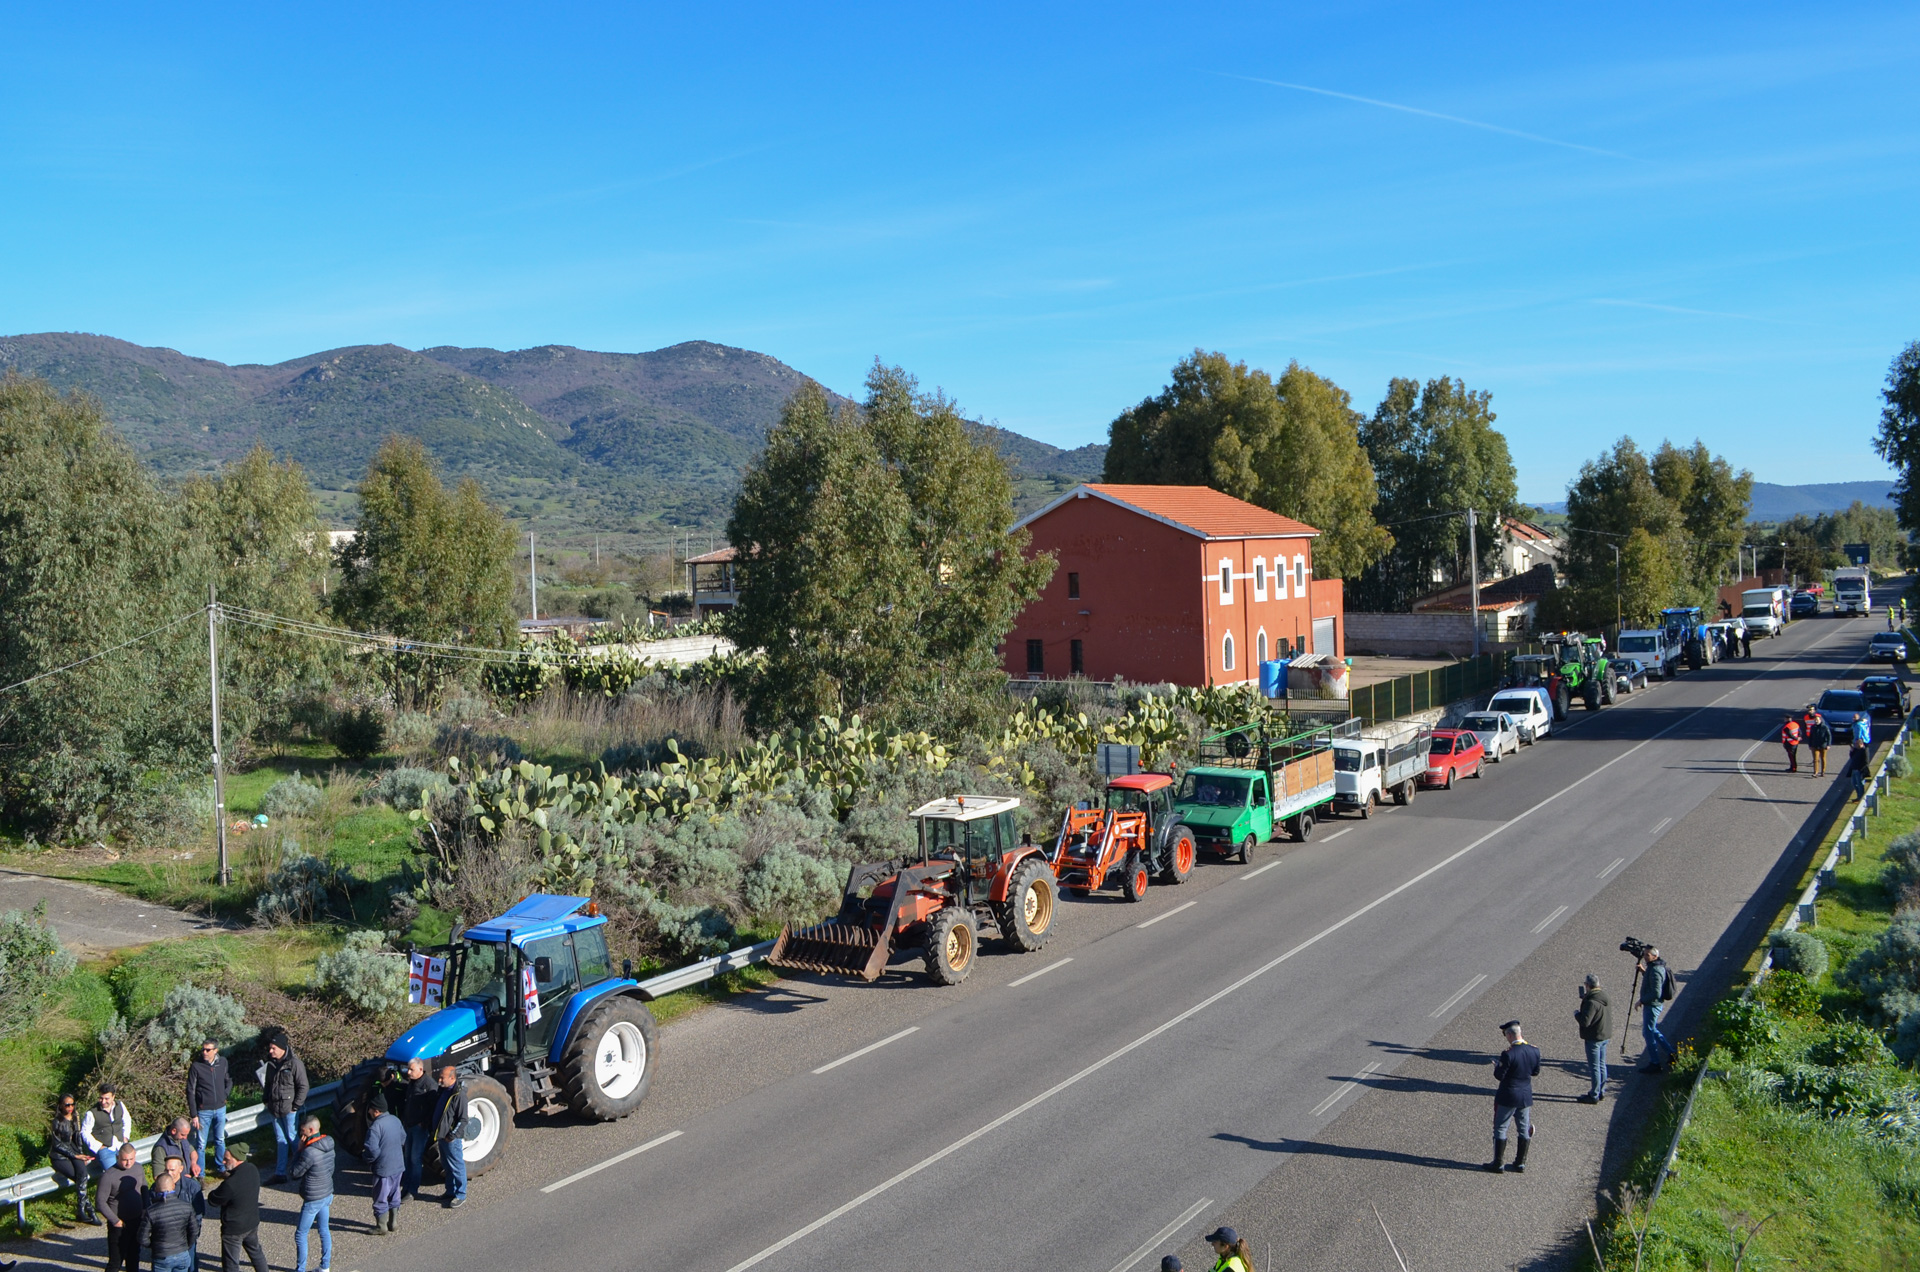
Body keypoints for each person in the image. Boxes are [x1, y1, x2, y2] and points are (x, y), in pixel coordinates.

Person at [1485, 1020, 1541, 1173]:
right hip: (1525, 1095)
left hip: (1508, 1095)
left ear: (1510, 1034)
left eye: (1505, 1035)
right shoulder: (1534, 1051)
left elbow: (1499, 1076)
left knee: (1501, 1128)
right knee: (1523, 1128)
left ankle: (1498, 1163)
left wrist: (1497, 1067)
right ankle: (1520, 1163)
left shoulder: (1508, 1054)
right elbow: (1535, 1072)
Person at [137, 1153, 202, 1272]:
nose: (169, 1173)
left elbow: (199, 1214)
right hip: (167, 1243)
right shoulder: (157, 1186)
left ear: (181, 1169)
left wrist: (190, 1240)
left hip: (185, 1241)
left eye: (172, 1170)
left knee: (192, 1267)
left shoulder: (192, 1186)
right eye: (166, 1170)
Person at [208, 1142, 267, 1272]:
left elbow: (213, 1200)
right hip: (251, 1223)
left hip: (234, 1229)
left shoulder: (230, 1184)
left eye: (227, 1159)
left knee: (231, 1264)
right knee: (256, 1253)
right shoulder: (252, 1168)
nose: (223, 1162)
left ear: (237, 1158)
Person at [261, 1032, 309, 1184]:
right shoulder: (271, 1064)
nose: (270, 1051)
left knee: (293, 1138)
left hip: (289, 1110)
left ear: (282, 1048)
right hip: (274, 1109)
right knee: (281, 1140)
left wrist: (295, 1106)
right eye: (270, 1048)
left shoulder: (295, 1064)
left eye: (273, 1048)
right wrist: (266, 1100)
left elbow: (303, 1086)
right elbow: (268, 1085)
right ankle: (280, 1173)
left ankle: (301, 1168)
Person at [289, 1113, 335, 1272]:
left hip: (313, 1197)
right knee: (324, 1230)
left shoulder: (309, 1152)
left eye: (302, 1132)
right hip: (327, 1192)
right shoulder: (329, 1143)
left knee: (301, 1234)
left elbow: (295, 1173)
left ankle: (300, 1269)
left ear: (311, 1129)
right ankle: (325, 1266)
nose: (301, 1135)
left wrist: (298, 1151)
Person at [361, 1089, 406, 1234]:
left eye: (370, 1110)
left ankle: (381, 1227)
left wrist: (366, 1159)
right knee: (395, 1194)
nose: (369, 1113)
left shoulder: (375, 1128)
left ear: (376, 1111)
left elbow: (372, 1151)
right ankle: (394, 1223)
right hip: (398, 1166)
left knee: (380, 1198)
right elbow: (403, 1139)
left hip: (383, 1169)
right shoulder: (395, 1120)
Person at [48, 1093, 96, 1223]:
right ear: (61, 1106)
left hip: (74, 1153)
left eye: (72, 1104)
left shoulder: (76, 1117)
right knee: (80, 1178)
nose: (70, 1107)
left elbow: (78, 1139)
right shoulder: (57, 1121)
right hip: (60, 1156)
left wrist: (81, 1155)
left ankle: (82, 1209)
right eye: (67, 1105)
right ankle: (89, 1209)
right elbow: (57, 1144)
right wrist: (74, 1155)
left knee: (82, 1174)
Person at [187, 1039, 233, 1177]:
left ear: (215, 1051)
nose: (204, 1052)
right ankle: (200, 1174)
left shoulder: (222, 1062)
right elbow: (191, 1091)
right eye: (203, 1049)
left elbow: (228, 1080)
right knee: (201, 1144)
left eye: (208, 1050)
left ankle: (221, 1168)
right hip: (203, 1111)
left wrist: (225, 1094)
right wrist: (194, 1114)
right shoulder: (196, 1066)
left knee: (220, 1139)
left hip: (220, 1108)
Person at [98, 1143, 145, 1272]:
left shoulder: (138, 1168)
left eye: (131, 1159)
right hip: (119, 1224)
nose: (128, 1163)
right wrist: (115, 1221)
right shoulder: (108, 1176)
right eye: (124, 1160)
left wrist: (145, 1209)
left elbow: (144, 1188)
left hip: (136, 1219)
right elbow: (100, 1202)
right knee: (116, 1261)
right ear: (118, 1157)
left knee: (134, 1257)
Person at [396, 1057, 436, 1200]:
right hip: (408, 1125)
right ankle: (405, 1187)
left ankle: (413, 1190)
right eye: (408, 1069)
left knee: (415, 1158)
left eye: (411, 1069)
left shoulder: (429, 1085)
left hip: (419, 1128)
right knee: (407, 1158)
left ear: (420, 1069)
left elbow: (433, 1108)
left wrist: (423, 1123)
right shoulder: (412, 1083)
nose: (408, 1072)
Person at [433, 1066, 469, 1208]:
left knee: (456, 1165)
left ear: (452, 1078)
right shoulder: (444, 1091)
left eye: (442, 1077)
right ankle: (450, 1191)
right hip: (442, 1137)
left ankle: (461, 1194)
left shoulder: (459, 1095)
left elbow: (463, 1119)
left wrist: (452, 1135)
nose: (439, 1080)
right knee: (447, 1166)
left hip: (451, 1139)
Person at [1637, 947, 1678, 1071]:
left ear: (1655, 956)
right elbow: (1653, 982)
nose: (1644, 957)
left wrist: (1642, 1000)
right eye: (1644, 954)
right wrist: (1644, 971)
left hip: (1652, 1006)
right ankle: (1672, 1053)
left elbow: (1656, 992)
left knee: (1648, 1033)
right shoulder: (1653, 967)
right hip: (1653, 1005)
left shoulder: (1655, 970)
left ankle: (1655, 1063)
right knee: (1652, 1030)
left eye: (1647, 955)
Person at [1575, 975, 1613, 1104]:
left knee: (1594, 1067)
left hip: (1594, 1037)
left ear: (1587, 985)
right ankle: (1601, 1091)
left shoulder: (1591, 1002)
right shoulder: (1604, 996)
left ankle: (1594, 1094)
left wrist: (1577, 1014)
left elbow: (1585, 1022)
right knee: (1602, 1065)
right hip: (1604, 1035)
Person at [80, 1085, 135, 1171]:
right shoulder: (92, 1113)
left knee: (130, 1170)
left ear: (113, 1097)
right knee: (113, 1174)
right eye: (101, 1098)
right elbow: (85, 1132)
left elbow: (127, 1120)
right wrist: (98, 1146)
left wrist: (125, 1137)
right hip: (105, 1149)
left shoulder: (120, 1105)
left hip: (120, 1144)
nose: (103, 1101)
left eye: (107, 1098)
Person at [150, 1116, 201, 1180]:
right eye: (183, 1135)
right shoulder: (160, 1148)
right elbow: (158, 1176)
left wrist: (193, 1163)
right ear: (174, 1131)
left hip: (189, 1181)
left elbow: (192, 1152)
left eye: (186, 1135)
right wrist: (180, 1179)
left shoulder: (181, 1139)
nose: (185, 1138)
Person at [1807, 711, 1833, 778]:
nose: (1816, 721)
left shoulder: (1824, 727)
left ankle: (1823, 771)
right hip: (1815, 745)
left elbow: (1829, 736)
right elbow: (1811, 736)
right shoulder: (1813, 727)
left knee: (1823, 759)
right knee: (1815, 759)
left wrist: (1828, 745)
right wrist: (1810, 745)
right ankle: (1815, 772)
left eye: (1817, 719)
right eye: (1815, 719)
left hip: (1823, 745)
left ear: (1820, 720)